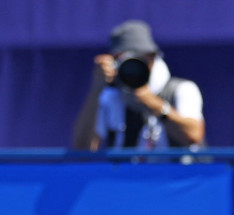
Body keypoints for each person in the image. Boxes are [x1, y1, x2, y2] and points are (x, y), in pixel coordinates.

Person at [69, 20, 205, 151]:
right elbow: (82, 149)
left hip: (178, 174)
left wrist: (156, 105)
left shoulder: (182, 89)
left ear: (153, 57)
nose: (132, 67)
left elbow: (194, 135)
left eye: (140, 59)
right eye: (124, 59)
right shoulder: (109, 96)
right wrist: (97, 89)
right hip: (125, 174)